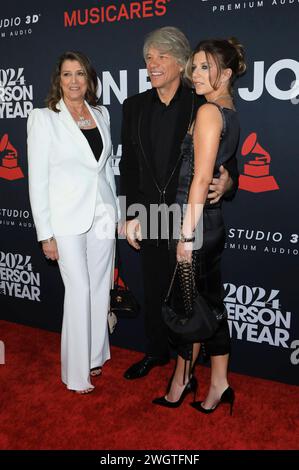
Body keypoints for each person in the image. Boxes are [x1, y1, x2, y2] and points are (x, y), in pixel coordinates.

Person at [120, 27, 239, 380]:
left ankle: (187, 367)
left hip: (188, 213)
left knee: (193, 294)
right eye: (148, 58)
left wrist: (230, 179)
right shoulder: (134, 106)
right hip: (150, 215)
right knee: (156, 286)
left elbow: (224, 156)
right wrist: (129, 214)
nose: (152, 64)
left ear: (181, 61)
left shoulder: (201, 102)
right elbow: (127, 165)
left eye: (161, 56)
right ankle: (156, 353)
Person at [152, 38, 246, 413]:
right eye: (194, 66)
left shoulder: (209, 112)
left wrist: (186, 237)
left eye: (205, 67)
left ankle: (183, 381)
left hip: (196, 225)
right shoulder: (229, 110)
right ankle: (217, 382)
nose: (195, 73)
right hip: (209, 222)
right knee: (208, 305)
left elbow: (200, 178)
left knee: (190, 307)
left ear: (225, 73)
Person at [27, 51, 119, 394]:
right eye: (68, 74)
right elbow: (37, 180)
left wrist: (118, 214)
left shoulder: (101, 113)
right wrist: (45, 234)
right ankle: (76, 374)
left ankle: (95, 356)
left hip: (102, 214)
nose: (75, 80)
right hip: (65, 218)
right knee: (79, 289)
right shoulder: (44, 118)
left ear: (89, 79)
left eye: (80, 73)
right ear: (58, 80)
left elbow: (106, 169)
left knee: (99, 288)